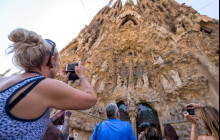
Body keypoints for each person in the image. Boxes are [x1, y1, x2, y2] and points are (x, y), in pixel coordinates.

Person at [0, 28, 97, 139]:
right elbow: (91, 99)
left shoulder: (6, 79)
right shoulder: (43, 84)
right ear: (52, 62)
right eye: (58, 62)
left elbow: (34, 111)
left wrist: (64, 82)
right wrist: (82, 76)